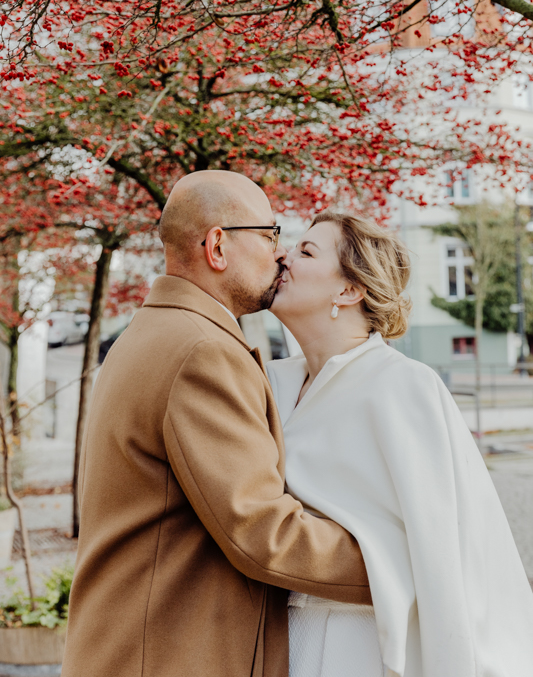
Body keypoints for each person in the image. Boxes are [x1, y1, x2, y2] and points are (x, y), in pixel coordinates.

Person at [61, 172, 371, 677]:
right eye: (269, 236)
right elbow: (261, 531)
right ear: (218, 246)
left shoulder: (157, 331)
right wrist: (401, 564)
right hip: (169, 657)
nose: (280, 255)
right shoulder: (202, 352)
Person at [267, 210, 533, 677]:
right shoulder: (271, 382)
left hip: (361, 642)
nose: (283, 257)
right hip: (278, 635)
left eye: (306, 251)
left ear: (348, 290)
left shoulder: (403, 386)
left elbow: (444, 546)